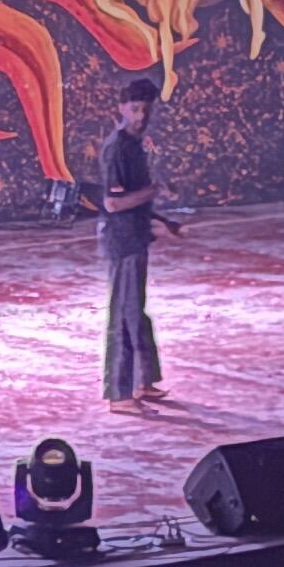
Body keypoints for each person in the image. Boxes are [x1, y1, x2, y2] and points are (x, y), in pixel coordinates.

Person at [96, 75, 169, 405]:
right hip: (123, 242)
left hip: (136, 239)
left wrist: (162, 222)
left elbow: (136, 199)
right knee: (123, 315)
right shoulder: (116, 149)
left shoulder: (135, 145)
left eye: (146, 110)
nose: (141, 116)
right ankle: (119, 392)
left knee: (136, 312)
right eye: (136, 109)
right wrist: (153, 192)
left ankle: (143, 382)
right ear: (122, 108)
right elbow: (113, 204)